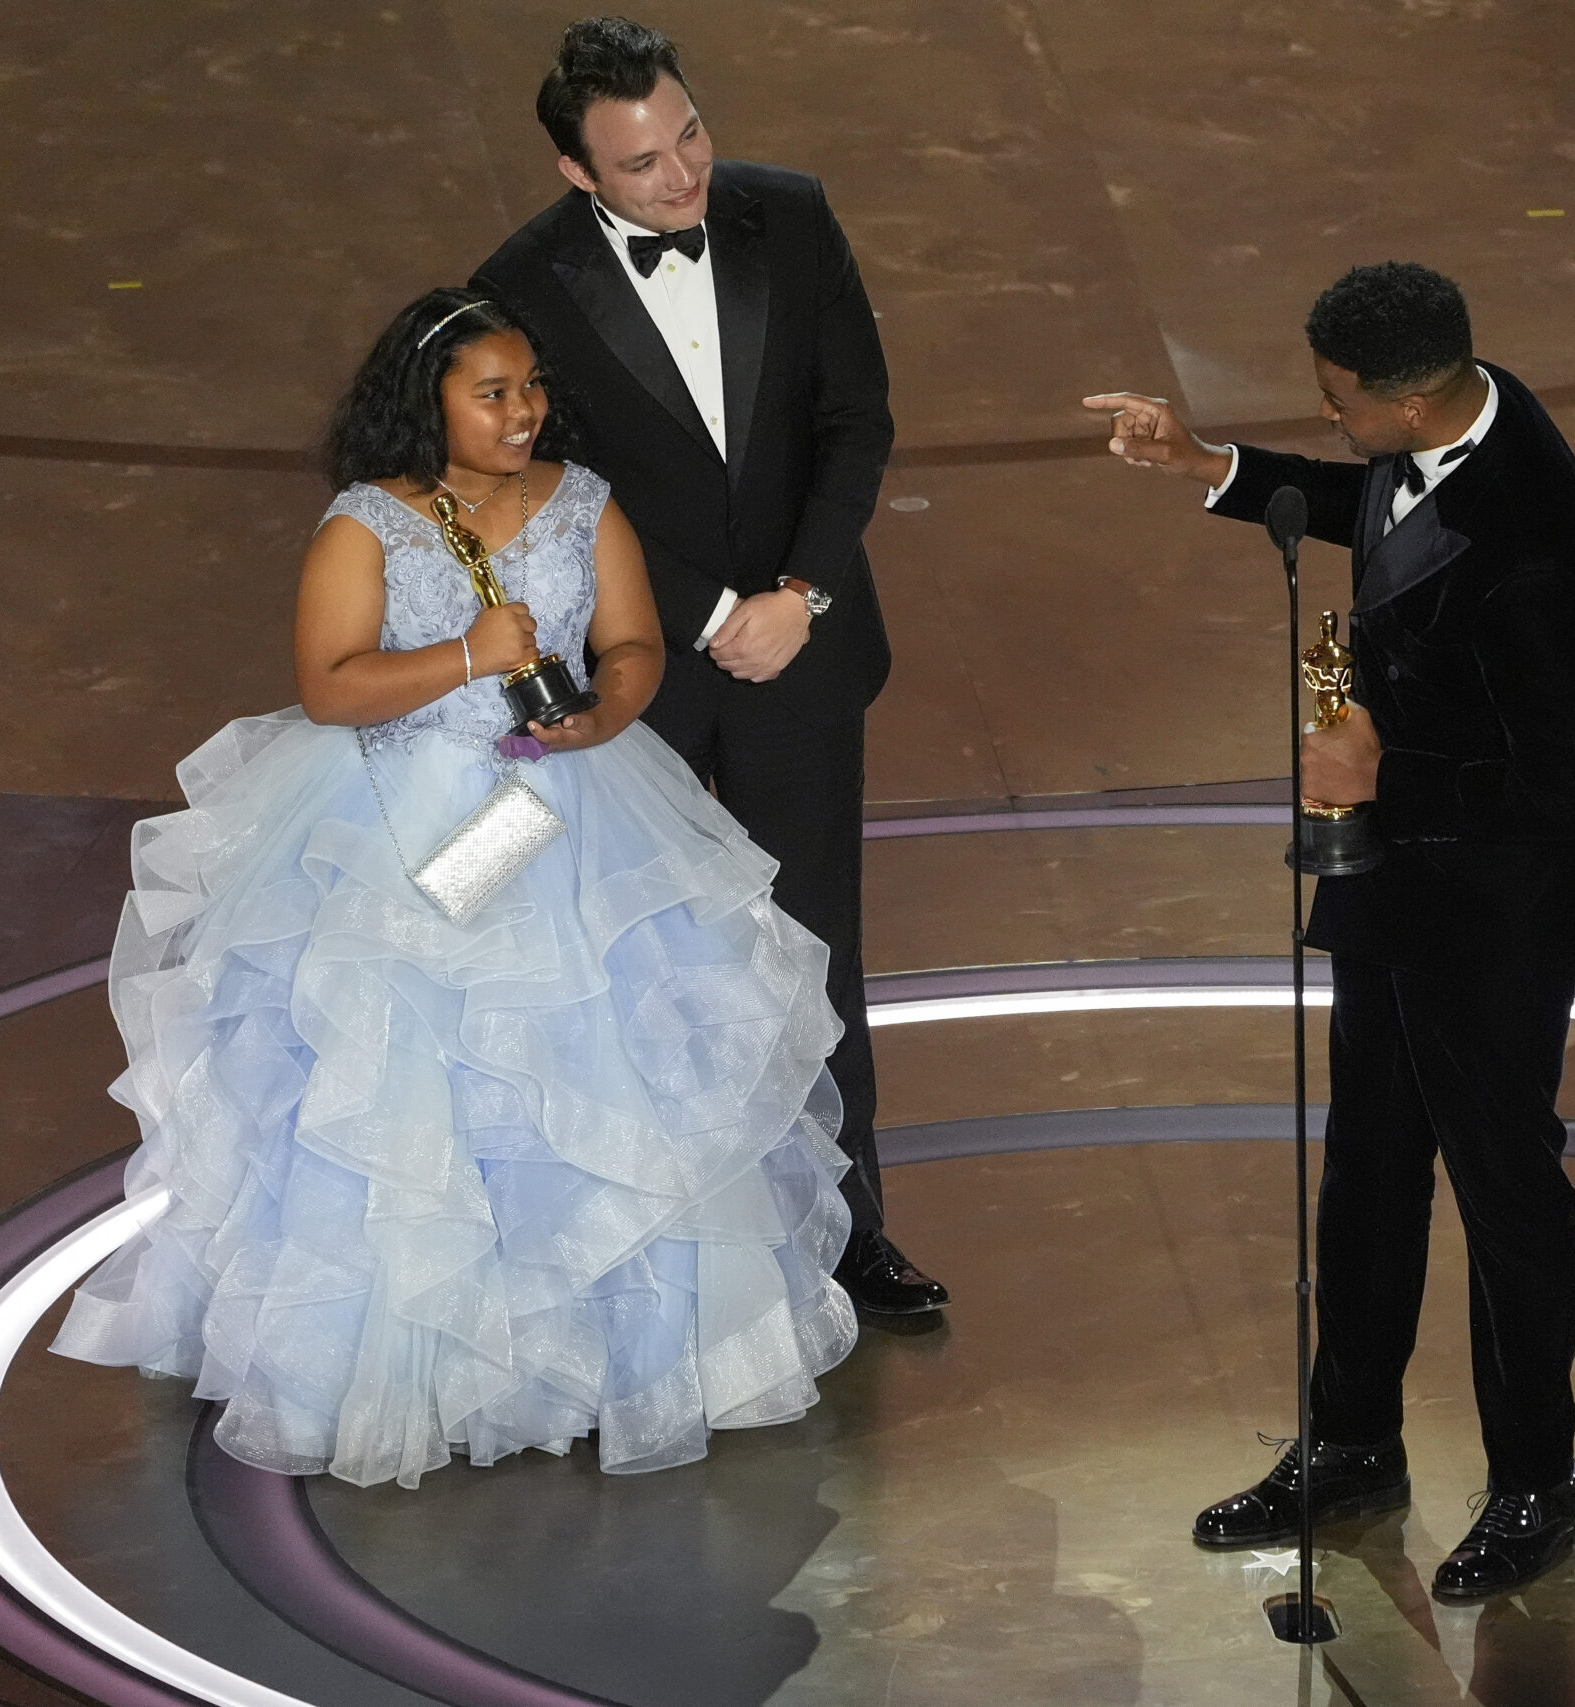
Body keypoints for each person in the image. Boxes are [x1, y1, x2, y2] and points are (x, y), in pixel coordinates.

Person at [51, 289, 859, 1488]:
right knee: (414, 1081)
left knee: (598, 1072)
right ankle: (418, 1361)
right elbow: (331, 686)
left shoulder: (582, 505)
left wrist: (610, 710)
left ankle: (603, 1353)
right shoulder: (363, 525)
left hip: (569, 811)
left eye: (530, 386)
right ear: (428, 404)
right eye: (494, 393)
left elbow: (633, 644)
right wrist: (471, 658)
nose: (524, 410)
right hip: (404, 825)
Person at [1082, 262, 1575, 1602]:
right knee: (1371, 1162)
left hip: (1500, 900)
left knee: (1504, 1186)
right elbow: (1363, 500)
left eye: (1337, 403)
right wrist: (1207, 464)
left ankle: (1539, 1482)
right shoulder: (1444, 429)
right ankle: (1355, 1441)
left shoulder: (1539, 545)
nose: (1329, 422)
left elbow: (1548, 778)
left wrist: (1380, 767)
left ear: (1414, 395)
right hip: (1399, 878)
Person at [472, 17, 944, 1315]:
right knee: (648, 961)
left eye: (690, 138)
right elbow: (550, 498)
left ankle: (851, 1233)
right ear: (579, 174)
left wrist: (798, 593)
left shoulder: (789, 217)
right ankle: (666, 1256)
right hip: (642, 673)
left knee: (816, 945)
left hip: (803, 645)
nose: (682, 178)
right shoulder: (516, 288)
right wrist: (712, 608)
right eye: (641, 166)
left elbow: (857, 418)